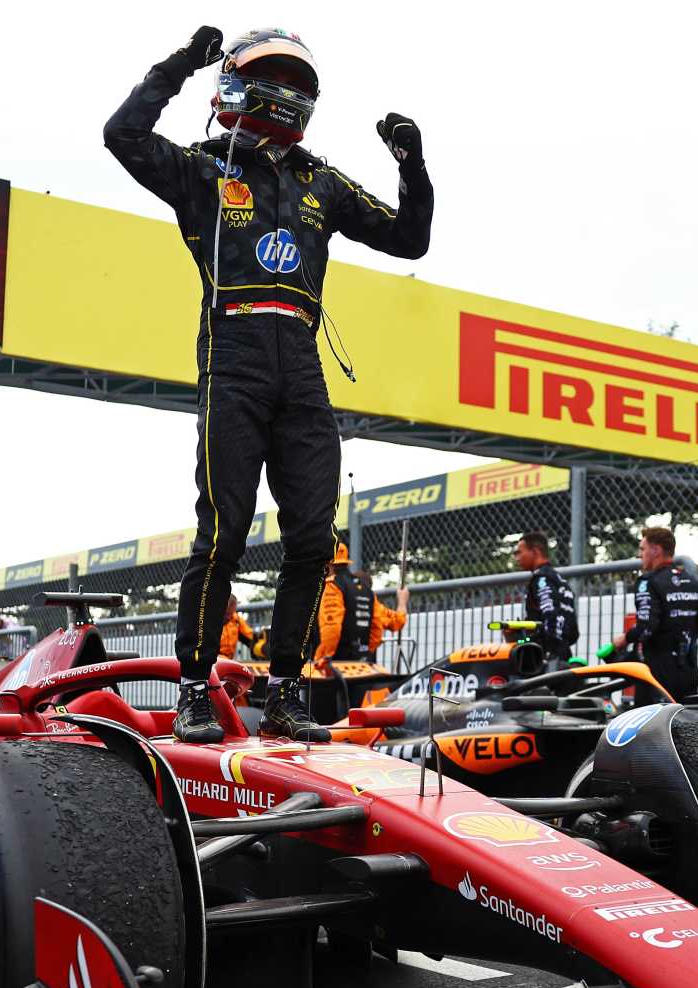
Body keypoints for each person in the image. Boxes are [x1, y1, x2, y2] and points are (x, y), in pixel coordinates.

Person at [105, 25, 432, 744]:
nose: (284, 91)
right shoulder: (201, 169)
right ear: (232, 90)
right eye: (268, 77)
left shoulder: (321, 180)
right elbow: (121, 134)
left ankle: (286, 690)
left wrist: (412, 163)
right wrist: (186, 63)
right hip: (235, 357)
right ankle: (193, 689)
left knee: (314, 538)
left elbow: (410, 237)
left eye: (294, 80)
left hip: (303, 369)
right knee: (221, 533)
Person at [614, 527, 698, 705]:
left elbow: (646, 627)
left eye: (643, 549)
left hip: (656, 675)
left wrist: (624, 639)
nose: (640, 555)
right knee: (684, 727)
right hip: (688, 672)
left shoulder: (648, 583)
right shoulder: (691, 581)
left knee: (649, 730)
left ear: (656, 550)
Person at [315, 543, 408, 664]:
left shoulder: (332, 586)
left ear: (327, 564)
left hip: (336, 665)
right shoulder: (366, 591)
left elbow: (331, 627)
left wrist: (321, 659)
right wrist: (402, 602)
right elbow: (395, 622)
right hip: (363, 663)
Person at [515, 531, 579, 664]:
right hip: (561, 649)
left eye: (520, 552)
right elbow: (573, 631)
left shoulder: (542, 579)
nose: (517, 558)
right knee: (518, 643)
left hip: (545, 655)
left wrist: (551, 652)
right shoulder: (558, 578)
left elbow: (550, 613)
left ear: (535, 552)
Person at [219, 593, 258, 659]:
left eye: (231, 613)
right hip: (213, 660)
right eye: (226, 613)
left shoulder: (236, 620)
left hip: (228, 660)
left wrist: (260, 644)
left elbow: (250, 636)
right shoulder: (209, 621)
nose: (229, 617)